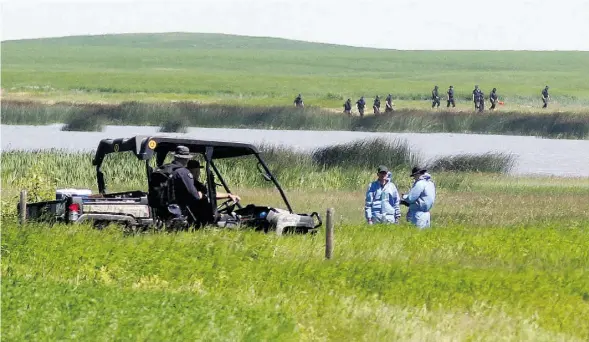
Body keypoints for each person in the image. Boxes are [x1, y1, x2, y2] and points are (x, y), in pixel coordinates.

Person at [159, 146, 204, 223]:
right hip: (176, 211)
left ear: (175, 157)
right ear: (186, 159)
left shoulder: (163, 169)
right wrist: (200, 194)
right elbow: (194, 195)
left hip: (161, 209)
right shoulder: (183, 172)